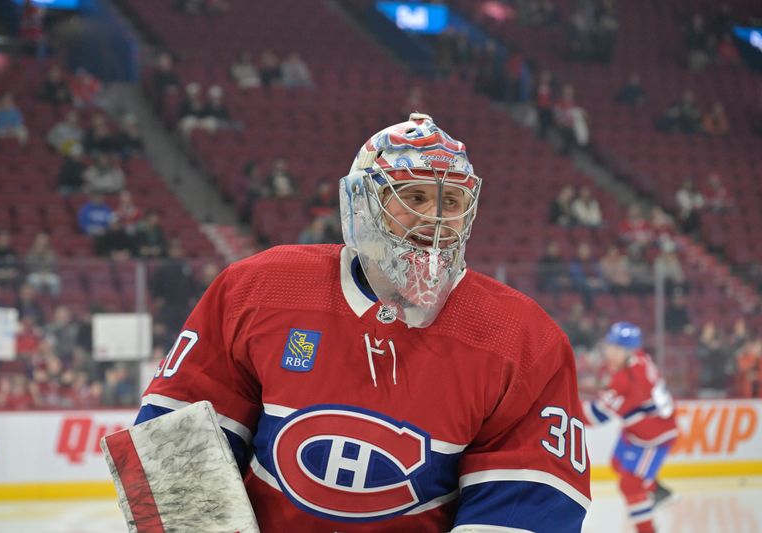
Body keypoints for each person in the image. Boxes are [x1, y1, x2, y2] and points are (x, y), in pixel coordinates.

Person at [134, 113, 591, 531]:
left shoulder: (524, 337)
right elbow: (172, 447)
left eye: (450, 200)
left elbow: (527, 505)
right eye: (413, 196)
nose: (434, 219)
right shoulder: (257, 289)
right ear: (362, 201)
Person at [582, 322, 678, 533]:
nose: (611, 353)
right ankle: (657, 490)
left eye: (618, 349)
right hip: (636, 428)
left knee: (630, 485)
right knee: (617, 463)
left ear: (629, 352)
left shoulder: (627, 379)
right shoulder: (639, 359)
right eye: (611, 346)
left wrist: (565, 406)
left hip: (653, 436)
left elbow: (596, 417)